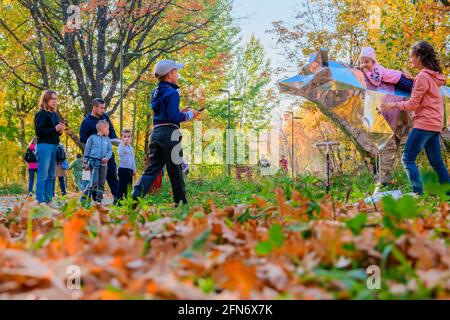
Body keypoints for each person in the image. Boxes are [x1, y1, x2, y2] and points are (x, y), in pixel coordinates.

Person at [381, 41, 450, 195]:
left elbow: (413, 104)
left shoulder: (423, 77)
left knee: (407, 159)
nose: (410, 60)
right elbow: (425, 93)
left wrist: (393, 105)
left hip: (424, 124)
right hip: (435, 124)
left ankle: (417, 193)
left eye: (411, 56)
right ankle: (448, 195)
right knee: (437, 162)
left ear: (419, 56)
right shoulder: (433, 77)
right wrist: (413, 80)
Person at [132, 59, 200, 206]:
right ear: (170, 74)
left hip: (156, 133)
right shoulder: (173, 92)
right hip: (170, 134)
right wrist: (190, 115)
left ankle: (134, 198)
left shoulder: (155, 93)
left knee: (152, 169)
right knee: (175, 169)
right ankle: (181, 203)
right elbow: (173, 117)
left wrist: (178, 112)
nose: (177, 75)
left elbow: (166, 113)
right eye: (176, 72)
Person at [80, 98, 120, 203]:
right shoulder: (86, 122)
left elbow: (111, 130)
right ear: (94, 107)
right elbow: (82, 138)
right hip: (94, 156)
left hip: (107, 152)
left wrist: (114, 139)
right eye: (101, 108)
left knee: (112, 175)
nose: (103, 110)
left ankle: (118, 198)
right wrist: (95, 139)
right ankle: (92, 200)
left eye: (104, 108)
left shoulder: (105, 116)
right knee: (94, 180)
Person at [34, 89, 65, 204]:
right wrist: (55, 129)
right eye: (52, 98)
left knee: (51, 175)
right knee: (43, 174)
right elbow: (39, 132)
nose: (55, 101)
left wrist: (60, 131)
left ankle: (48, 201)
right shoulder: (41, 114)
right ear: (45, 99)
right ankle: (39, 201)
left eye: (56, 99)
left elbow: (54, 132)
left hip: (54, 146)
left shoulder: (54, 115)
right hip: (44, 146)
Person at [82, 120, 113, 204]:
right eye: (107, 129)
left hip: (104, 164)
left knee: (102, 182)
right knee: (93, 181)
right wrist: (85, 162)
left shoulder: (108, 139)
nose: (108, 131)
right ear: (102, 128)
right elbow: (87, 150)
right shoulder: (92, 138)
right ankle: (85, 198)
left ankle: (99, 201)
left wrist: (107, 157)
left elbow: (110, 151)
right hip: (93, 162)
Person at [117, 129, 136, 201]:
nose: (127, 138)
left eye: (128, 136)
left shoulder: (131, 147)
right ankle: (118, 201)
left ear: (131, 138)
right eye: (124, 136)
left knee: (129, 186)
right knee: (122, 186)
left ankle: (128, 200)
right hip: (123, 169)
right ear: (121, 138)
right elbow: (120, 153)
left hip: (130, 170)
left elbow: (133, 159)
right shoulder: (121, 146)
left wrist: (134, 169)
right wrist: (123, 144)